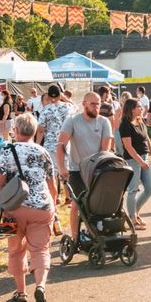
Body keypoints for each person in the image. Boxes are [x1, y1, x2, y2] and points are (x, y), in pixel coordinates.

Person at [0, 113, 58, 302]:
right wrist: (53, 207)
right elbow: (52, 184)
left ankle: (21, 291)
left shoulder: (7, 151)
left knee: (16, 249)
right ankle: (40, 286)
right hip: (42, 208)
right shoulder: (43, 152)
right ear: (34, 131)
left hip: (15, 207)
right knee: (40, 250)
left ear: (16, 130)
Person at [56, 92, 114, 237]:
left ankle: (95, 232)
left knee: (98, 203)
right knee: (78, 204)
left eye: (99, 104)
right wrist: (62, 168)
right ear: (84, 104)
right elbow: (61, 144)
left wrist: (98, 167)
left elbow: (105, 148)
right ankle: (75, 237)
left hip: (97, 169)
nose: (96, 108)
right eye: (93, 104)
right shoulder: (72, 121)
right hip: (77, 169)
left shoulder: (103, 122)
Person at [118, 98, 151, 230]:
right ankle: (133, 219)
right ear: (131, 109)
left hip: (145, 158)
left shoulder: (140, 121)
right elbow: (128, 147)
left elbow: (147, 140)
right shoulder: (125, 125)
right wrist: (140, 161)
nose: (142, 108)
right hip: (133, 160)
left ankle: (135, 211)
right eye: (139, 107)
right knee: (133, 190)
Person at [35, 85, 71, 203]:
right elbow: (76, 107)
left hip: (50, 144)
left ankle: (56, 197)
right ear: (60, 95)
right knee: (65, 170)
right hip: (65, 143)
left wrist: (37, 145)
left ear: (49, 96)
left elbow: (40, 130)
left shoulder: (46, 110)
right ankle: (69, 197)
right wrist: (65, 98)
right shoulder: (68, 107)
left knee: (52, 172)